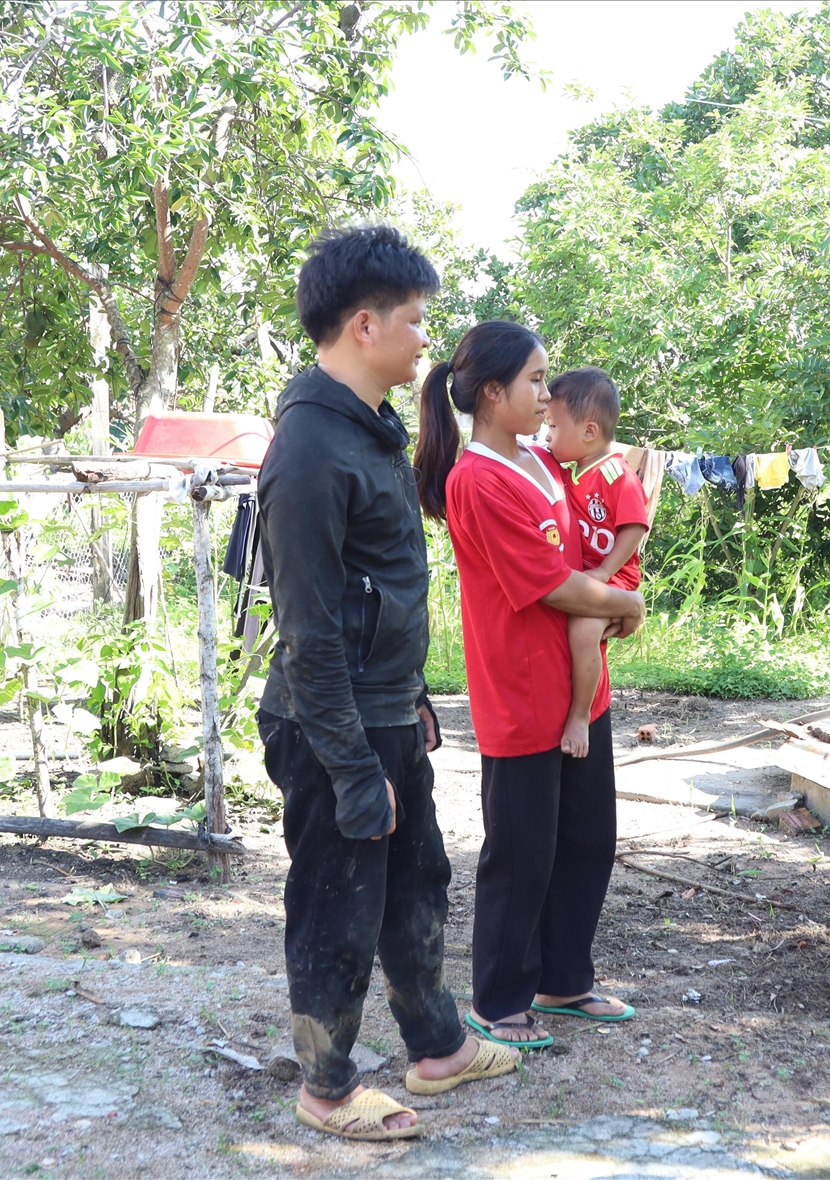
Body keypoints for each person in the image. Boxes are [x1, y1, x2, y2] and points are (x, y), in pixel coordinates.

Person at [256, 226, 517, 1142]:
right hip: (330, 725)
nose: (425, 340)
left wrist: (410, 699)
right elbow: (308, 629)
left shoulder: (369, 430)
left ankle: (438, 1047)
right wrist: (352, 766)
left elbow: (379, 590)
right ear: (364, 326)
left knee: (415, 884)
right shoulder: (310, 449)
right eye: (414, 321)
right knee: (339, 905)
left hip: (384, 711)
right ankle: (326, 1089)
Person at [415, 321, 646, 1051]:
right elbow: (548, 584)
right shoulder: (476, 480)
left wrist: (614, 591)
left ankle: (563, 979)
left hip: (580, 690)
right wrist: (626, 603)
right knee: (522, 855)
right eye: (536, 381)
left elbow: (597, 534)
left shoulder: (545, 461)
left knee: (588, 839)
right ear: (492, 392)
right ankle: (499, 999)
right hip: (520, 694)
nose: (548, 396)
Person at [540, 367, 649, 760]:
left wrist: (605, 571)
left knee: (585, 630)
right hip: (586, 578)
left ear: (588, 432)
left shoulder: (617, 474)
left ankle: (581, 716)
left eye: (553, 427)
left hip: (615, 577)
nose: (547, 436)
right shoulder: (573, 472)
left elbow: (634, 527)